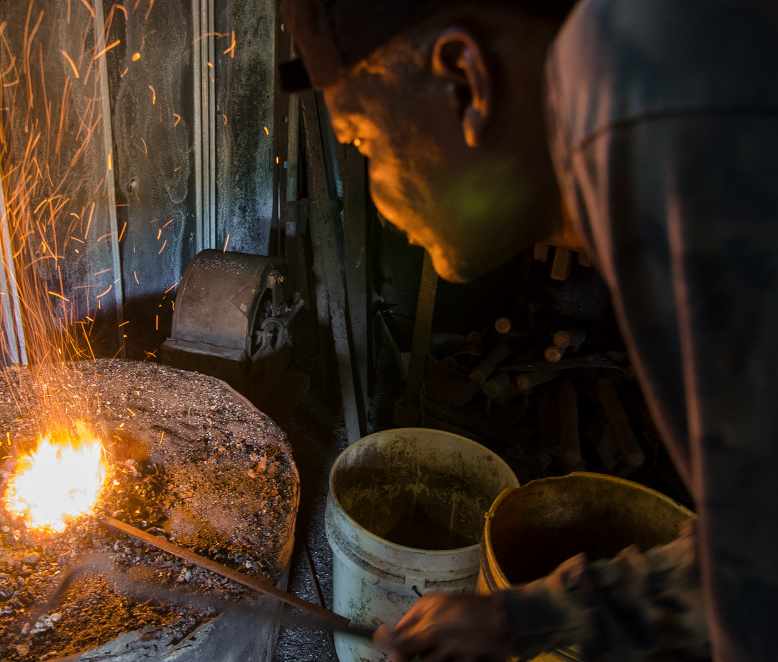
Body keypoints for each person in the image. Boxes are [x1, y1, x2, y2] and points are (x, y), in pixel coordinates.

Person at [283, 0, 778, 660]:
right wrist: (526, 621)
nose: (374, 184)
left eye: (363, 140)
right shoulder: (647, 75)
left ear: (465, 80)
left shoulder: (660, 133)